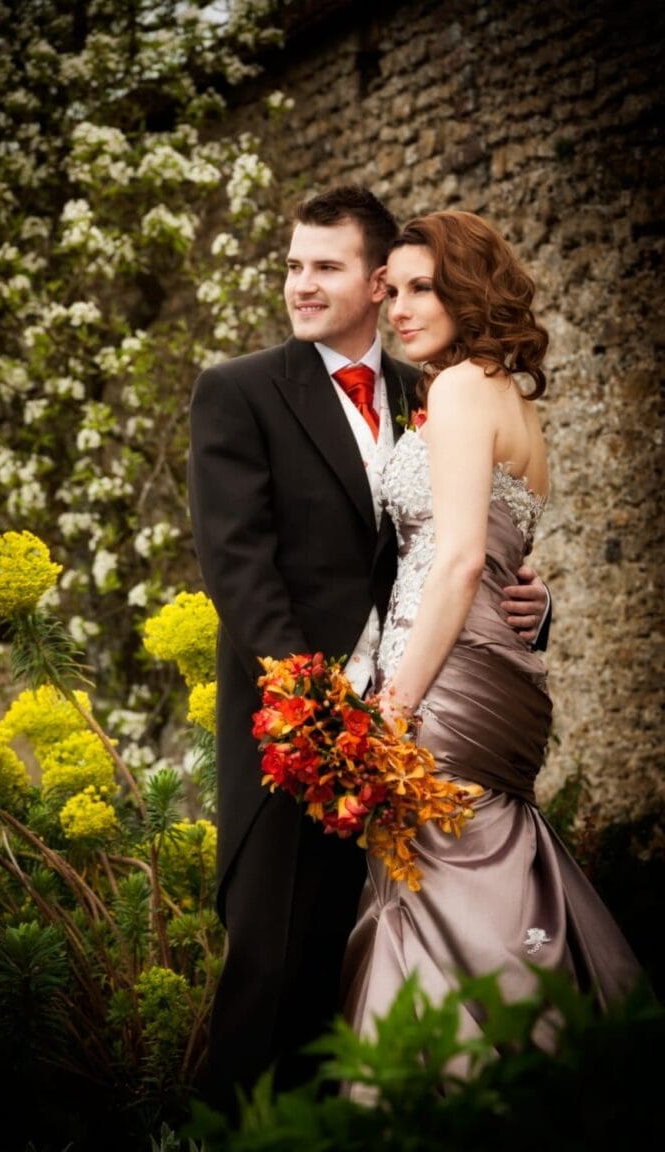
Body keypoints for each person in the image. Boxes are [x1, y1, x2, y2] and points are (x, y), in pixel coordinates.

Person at [187, 187, 550, 1114]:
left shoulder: (428, 386)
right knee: (269, 969)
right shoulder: (238, 390)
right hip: (297, 730)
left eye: (326, 267)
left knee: (367, 964)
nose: (301, 285)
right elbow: (240, 570)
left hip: (413, 720)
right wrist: (316, 712)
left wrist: (527, 604)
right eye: (292, 266)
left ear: (375, 279)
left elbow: (458, 545)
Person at [341, 209, 644, 1066]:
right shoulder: (503, 396)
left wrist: (390, 710)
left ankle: (464, 1091)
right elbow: (502, 553)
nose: (396, 306)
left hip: (442, 687)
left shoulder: (462, 388)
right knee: (475, 879)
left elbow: (463, 560)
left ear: (468, 291)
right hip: (496, 673)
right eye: (390, 289)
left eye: (421, 288)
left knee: (438, 887)